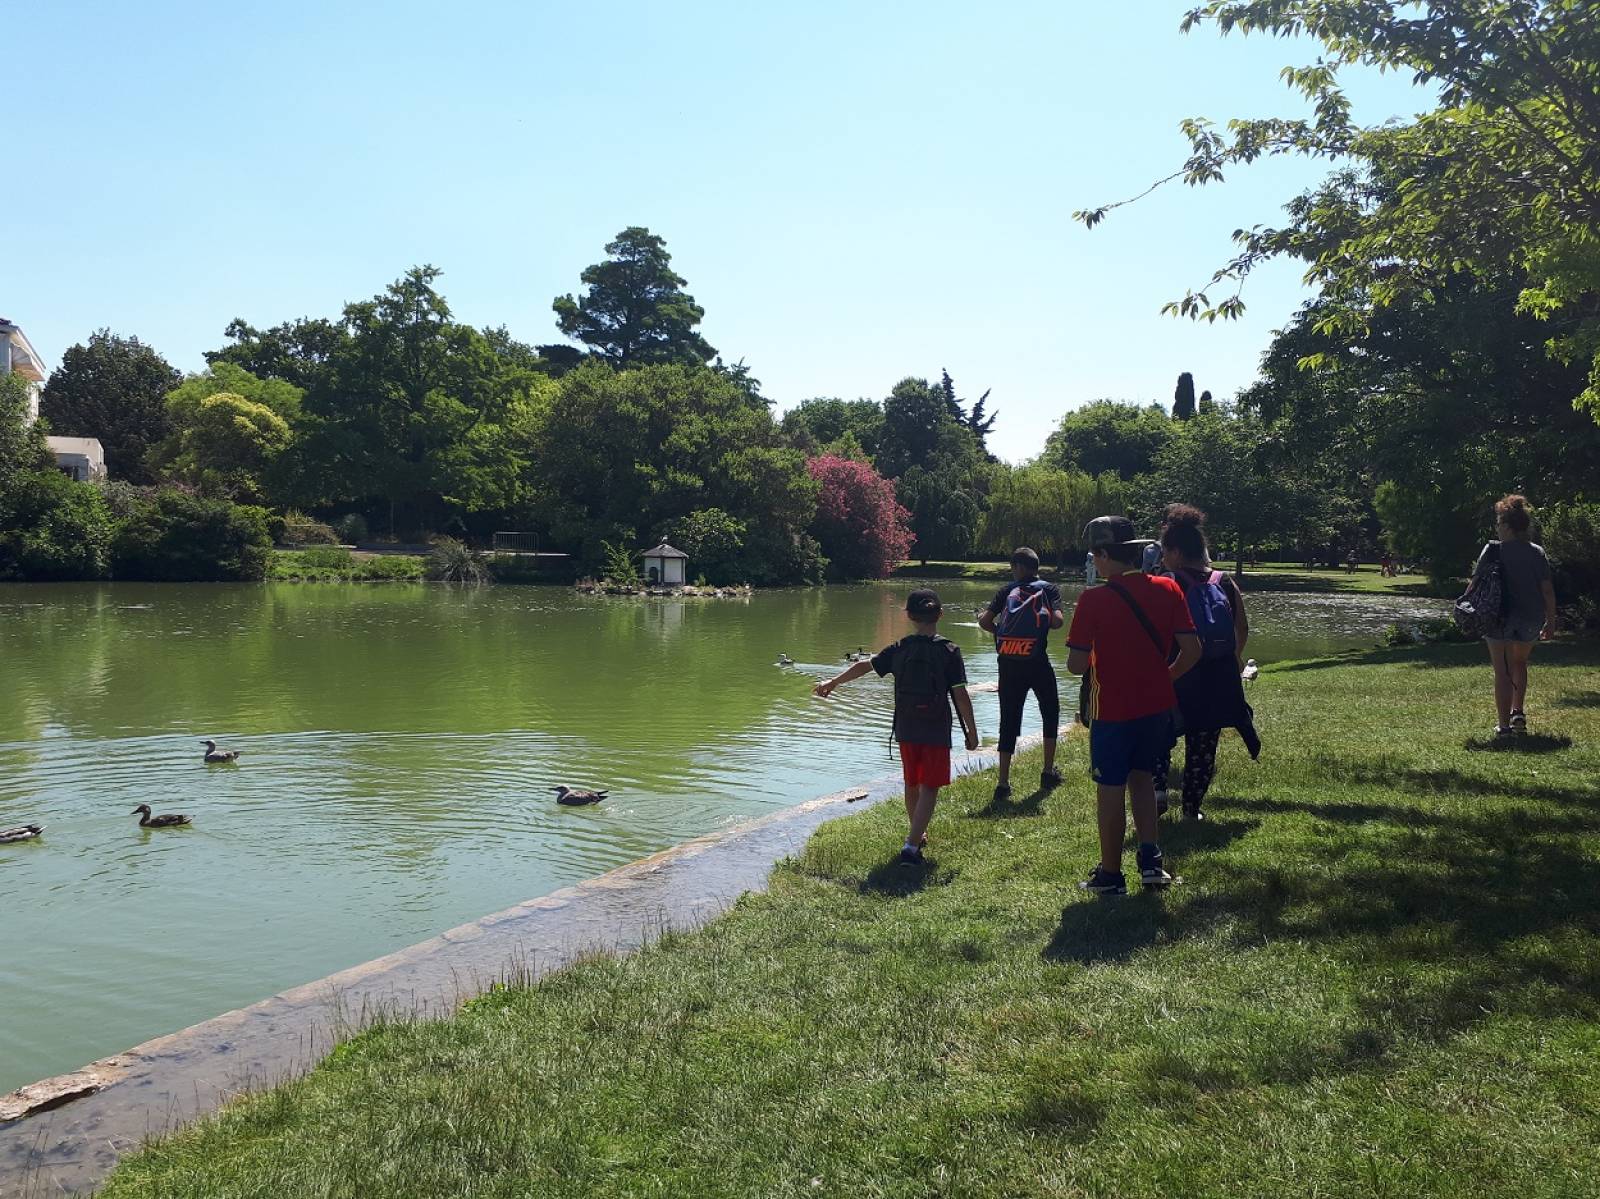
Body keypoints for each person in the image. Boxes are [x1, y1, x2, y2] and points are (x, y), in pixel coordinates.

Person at [1065, 516, 1201, 894]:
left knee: (1110, 787)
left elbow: (1075, 665)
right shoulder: (1168, 589)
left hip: (1111, 709)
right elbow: (1192, 650)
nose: (1094, 563)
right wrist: (1164, 677)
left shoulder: (1093, 600)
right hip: (1155, 707)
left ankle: (1111, 875)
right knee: (1142, 777)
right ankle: (1151, 863)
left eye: (1095, 556)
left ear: (1104, 555)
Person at [814, 588, 979, 864]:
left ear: (909, 616)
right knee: (930, 786)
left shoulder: (899, 648)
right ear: (940, 614)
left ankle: (917, 833)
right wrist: (972, 731)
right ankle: (911, 846)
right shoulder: (949, 651)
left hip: (906, 726)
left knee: (912, 782)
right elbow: (960, 694)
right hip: (935, 728)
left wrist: (833, 682)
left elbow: (865, 666)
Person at [1149, 505, 1262, 820]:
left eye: (1164, 552)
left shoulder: (1167, 582)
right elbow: (1242, 627)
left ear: (1175, 552)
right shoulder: (1223, 581)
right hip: (1216, 675)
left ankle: (1157, 790)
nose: (1162, 558)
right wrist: (1232, 658)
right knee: (1203, 746)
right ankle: (1191, 810)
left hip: (1176, 670)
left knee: (1159, 733)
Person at [979, 548, 1064, 801]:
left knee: (1008, 719)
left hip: (1008, 663)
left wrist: (1001, 633)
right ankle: (1047, 772)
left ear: (1018, 567)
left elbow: (984, 622)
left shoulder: (1006, 591)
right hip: (1037, 661)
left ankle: (1003, 783)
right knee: (1050, 711)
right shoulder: (1049, 589)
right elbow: (1057, 622)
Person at [1474, 494, 1558, 736]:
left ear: (1508, 526)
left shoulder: (1493, 550)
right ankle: (1517, 713)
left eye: (1499, 523)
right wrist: (1551, 622)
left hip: (1499, 617)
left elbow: (1475, 584)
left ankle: (1503, 727)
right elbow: (1547, 590)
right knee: (1520, 662)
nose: (1497, 528)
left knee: (1502, 670)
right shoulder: (1537, 552)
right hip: (1531, 618)